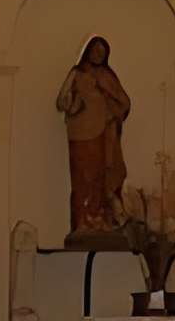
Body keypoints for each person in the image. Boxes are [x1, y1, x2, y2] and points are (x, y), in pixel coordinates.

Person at [56, 35, 132, 240]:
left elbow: (123, 102)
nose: (98, 55)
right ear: (88, 51)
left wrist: (108, 100)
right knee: (82, 176)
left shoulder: (107, 76)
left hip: (103, 133)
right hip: (80, 134)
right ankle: (82, 221)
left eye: (102, 52)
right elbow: (62, 101)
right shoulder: (76, 73)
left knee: (101, 176)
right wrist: (74, 104)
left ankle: (100, 220)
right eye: (95, 50)